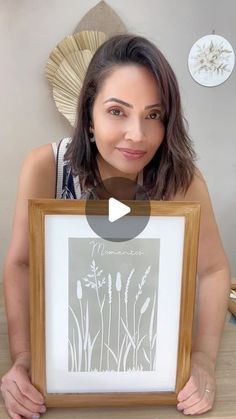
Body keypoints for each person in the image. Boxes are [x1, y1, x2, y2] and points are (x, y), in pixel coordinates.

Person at [1, 33, 230, 418]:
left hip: (152, 364)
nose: (137, 135)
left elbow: (213, 269)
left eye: (153, 115)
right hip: (64, 366)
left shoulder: (181, 180)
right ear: (89, 115)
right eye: (117, 111)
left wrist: (205, 359)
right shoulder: (45, 168)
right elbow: (20, 264)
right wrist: (23, 357)